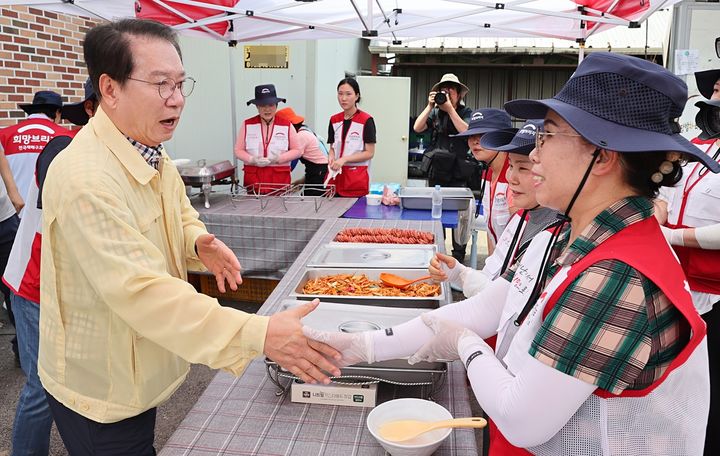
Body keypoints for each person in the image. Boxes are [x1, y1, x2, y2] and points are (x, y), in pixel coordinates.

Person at [306, 52, 716, 455]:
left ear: (603, 156)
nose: (533, 153)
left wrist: (466, 345)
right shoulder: (565, 236)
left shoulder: (616, 274)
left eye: (548, 135)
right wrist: (361, 347)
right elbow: (485, 308)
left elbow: (522, 420)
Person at [38, 19, 340, 455]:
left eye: (180, 84)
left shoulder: (146, 147)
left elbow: (179, 212)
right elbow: (143, 292)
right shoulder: (85, 177)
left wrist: (198, 241)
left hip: (137, 367)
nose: (176, 99)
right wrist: (260, 334)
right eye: (161, 84)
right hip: (100, 388)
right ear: (109, 89)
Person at [2, 77, 97, 456]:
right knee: (41, 385)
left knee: (75, 378)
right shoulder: (63, 148)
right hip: (35, 283)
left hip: (65, 286)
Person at [657, 68, 720, 455]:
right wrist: (657, 210)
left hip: (713, 295)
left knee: (709, 401)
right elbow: (664, 190)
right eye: (715, 83)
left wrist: (675, 236)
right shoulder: (696, 144)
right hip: (671, 285)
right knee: (671, 394)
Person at [430, 120, 557, 298]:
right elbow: (496, 282)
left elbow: (510, 302)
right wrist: (459, 273)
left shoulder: (558, 234)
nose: (511, 177)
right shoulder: (521, 218)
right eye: (511, 165)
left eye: (524, 167)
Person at [0, 90, 73, 204]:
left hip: (12, 214)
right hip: (47, 214)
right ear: (57, 112)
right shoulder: (67, 137)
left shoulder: (3, 135)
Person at [234, 84, 301, 194]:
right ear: (257, 107)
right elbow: (238, 150)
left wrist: (279, 158)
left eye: (271, 105)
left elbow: (297, 150)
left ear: (276, 105)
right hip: (254, 182)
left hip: (279, 182)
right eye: (262, 105)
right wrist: (252, 160)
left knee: (279, 210)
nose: (267, 109)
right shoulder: (247, 124)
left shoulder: (287, 125)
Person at [413, 73, 472, 187]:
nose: (447, 93)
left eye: (451, 89)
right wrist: (430, 106)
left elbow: (466, 131)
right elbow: (417, 128)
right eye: (444, 90)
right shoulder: (436, 112)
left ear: (459, 94)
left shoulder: (466, 112)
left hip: (457, 170)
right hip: (437, 169)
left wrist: (450, 109)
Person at [326, 77, 376, 197]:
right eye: (340, 94)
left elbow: (369, 153)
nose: (343, 98)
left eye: (348, 94)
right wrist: (331, 157)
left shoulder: (366, 120)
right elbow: (333, 147)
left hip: (356, 179)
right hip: (336, 178)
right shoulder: (334, 120)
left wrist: (345, 159)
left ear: (357, 96)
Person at [276, 106, 329, 195]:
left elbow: (292, 161)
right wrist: (302, 180)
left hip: (319, 173)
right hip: (318, 171)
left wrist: (278, 177)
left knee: (311, 200)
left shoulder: (301, 136)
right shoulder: (306, 130)